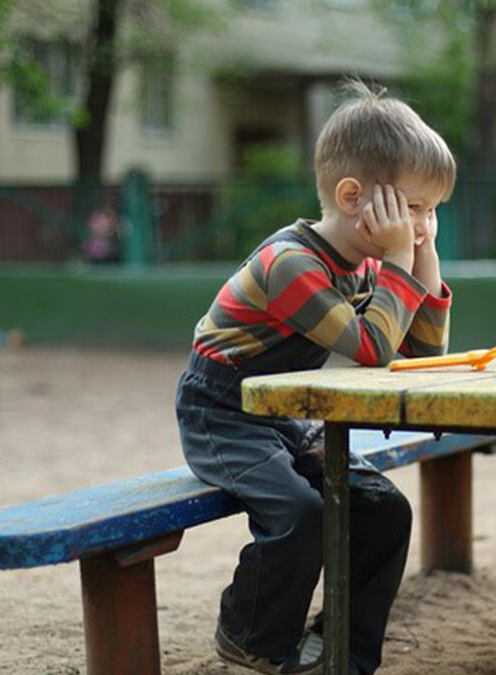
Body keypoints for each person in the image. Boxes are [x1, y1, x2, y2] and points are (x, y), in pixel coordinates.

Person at [175, 81, 456, 675]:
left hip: (284, 410)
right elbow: (374, 348)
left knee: (384, 509)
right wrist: (403, 263)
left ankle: (340, 654)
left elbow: (422, 349)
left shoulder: (370, 262)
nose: (422, 225)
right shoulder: (292, 264)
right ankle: (249, 635)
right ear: (353, 196)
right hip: (221, 412)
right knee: (302, 514)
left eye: (432, 212)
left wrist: (422, 257)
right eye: (414, 209)